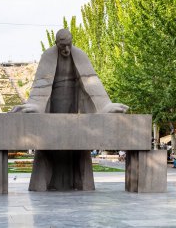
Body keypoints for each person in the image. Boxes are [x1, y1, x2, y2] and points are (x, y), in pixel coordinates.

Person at [10, 29, 128, 192]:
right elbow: (40, 85)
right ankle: (46, 183)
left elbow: (92, 82)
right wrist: (35, 105)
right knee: (49, 145)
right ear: (56, 44)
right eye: (62, 46)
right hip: (53, 109)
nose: (66, 50)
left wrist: (106, 106)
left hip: (75, 107)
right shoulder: (47, 56)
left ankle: (79, 183)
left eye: (69, 45)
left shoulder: (79, 55)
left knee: (78, 144)